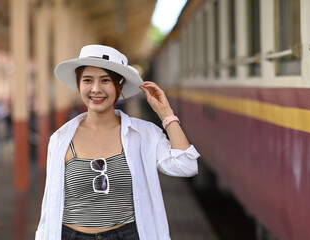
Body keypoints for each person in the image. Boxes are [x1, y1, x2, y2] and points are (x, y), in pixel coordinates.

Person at [35, 45, 200, 240]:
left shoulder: (142, 134)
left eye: (105, 80)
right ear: (79, 84)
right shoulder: (61, 139)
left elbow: (186, 166)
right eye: (88, 80)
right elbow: (49, 206)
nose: (96, 89)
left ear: (118, 86)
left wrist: (166, 114)